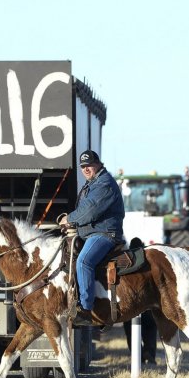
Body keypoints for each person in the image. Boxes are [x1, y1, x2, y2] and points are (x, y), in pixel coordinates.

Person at [58, 149, 125, 325]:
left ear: (98, 164)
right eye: (83, 166)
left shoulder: (104, 184)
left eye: (89, 165)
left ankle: (86, 310)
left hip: (104, 233)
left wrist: (69, 219)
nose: (86, 169)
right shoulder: (93, 183)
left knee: (83, 261)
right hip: (90, 233)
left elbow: (90, 210)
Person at [122, 237, 158, 366]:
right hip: (148, 304)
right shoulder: (149, 262)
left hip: (132, 305)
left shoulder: (125, 263)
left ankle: (138, 356)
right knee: (151, 329)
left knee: (130, 331)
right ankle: (150, 354)